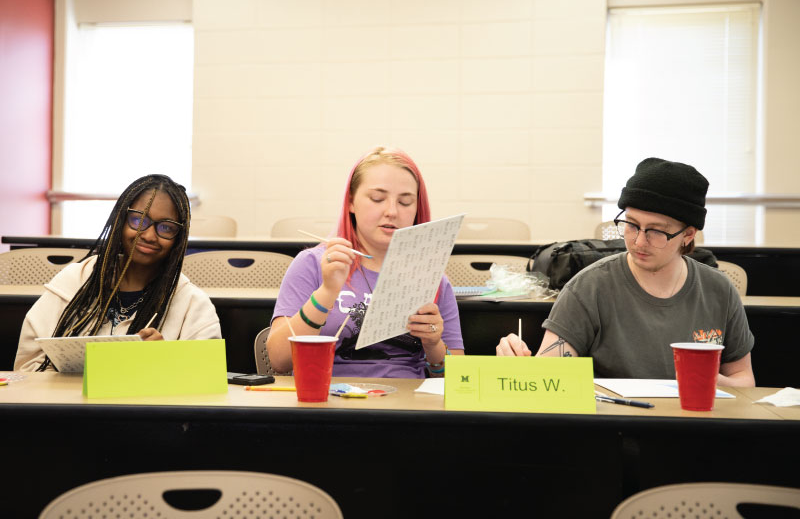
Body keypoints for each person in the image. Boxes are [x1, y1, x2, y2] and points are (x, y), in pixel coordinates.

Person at [496, 158, 755, 387]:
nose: (639, 242)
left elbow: (744, 378)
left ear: (688, 235)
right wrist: (518, 364)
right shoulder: (590, 287)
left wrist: (708, 380)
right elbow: (549, 374)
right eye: (631, 225)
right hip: (616, 433)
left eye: (656, 231)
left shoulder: (718, 290)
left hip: (697, 431)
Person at [267, 146, 464, 378]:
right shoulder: (313, 263)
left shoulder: (431, 278)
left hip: (408, 405)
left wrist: (433, 345)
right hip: (328, 401)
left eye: (405, 202)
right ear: (351, 202)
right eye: (377, 198)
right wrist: (328, 291)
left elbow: (456, 378)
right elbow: (279, 360)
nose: (391, 211)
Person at [14, 174, 221, 372]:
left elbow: (206, 384)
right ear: (121, 220)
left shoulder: (193, 305)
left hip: (144, 409)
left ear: (179, 237)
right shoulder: (73, 282)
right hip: (70, 407)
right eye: (139, 220)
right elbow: (28, 367)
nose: (149, 235)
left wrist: (166, 361)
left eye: (166, 228)